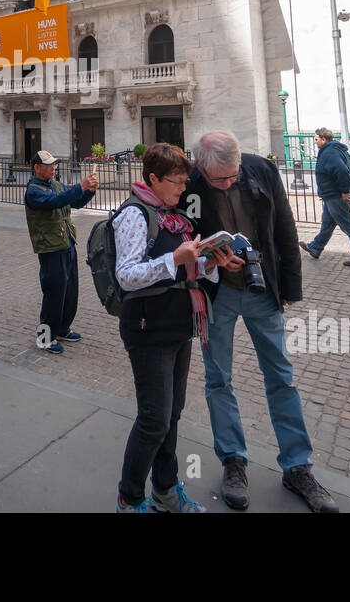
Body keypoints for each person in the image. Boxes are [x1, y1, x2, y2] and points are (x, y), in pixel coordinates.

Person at [181, 131, 339, 513]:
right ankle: (233, 460)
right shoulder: (188, 181)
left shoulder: (261, 169)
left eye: (233, 174)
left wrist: (291, 285)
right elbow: (180, 237)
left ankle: (297, 466)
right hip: (215, 294)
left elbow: (284, 228)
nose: (229, 182)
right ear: (201, 166)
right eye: (220, 179)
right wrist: (210, 258)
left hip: (261, 289)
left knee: (281, 377)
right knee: (219, 379)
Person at [115, 143, 231, 512]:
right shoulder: (135, 215)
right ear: (152, 178)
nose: (183, 188)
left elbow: (185, 270)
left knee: (171, 416)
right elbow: (127, 275)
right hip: (148, 329)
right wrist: (173, 258)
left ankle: (165, 489)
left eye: (184, 181)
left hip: (179, 325)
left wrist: (212, 262)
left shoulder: (175, 216)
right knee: (153, 420)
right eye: (176, 182)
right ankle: (129, 498)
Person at [25, 149, 98, 353]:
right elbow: (53, 202)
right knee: (54, 292)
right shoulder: (33, 190)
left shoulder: (55, 184)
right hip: (50, 247)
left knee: (70, 289)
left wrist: (89, 191)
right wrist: (79, 186)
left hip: (66, 242)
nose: (53, 168)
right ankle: (45, 338)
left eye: (54, 164)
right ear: (37, 168)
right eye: (48, 165)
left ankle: (63, 328)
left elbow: (73, 201)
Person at [299, 128, 350, 267]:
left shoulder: (330, 152)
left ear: (323, 139)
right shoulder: (336, 150)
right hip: (332, 196)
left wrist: (345, 191)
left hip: (337, 196)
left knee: (348, 226)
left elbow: (342, 171)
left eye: (316, 139)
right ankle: (316, 247)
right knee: (327, 224)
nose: (315, 142)